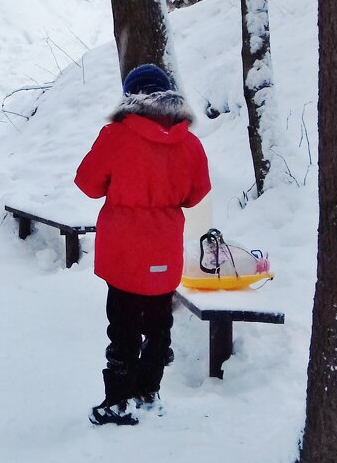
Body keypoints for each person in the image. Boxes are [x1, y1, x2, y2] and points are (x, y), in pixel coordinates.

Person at [74, 64, 211, 427]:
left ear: (130, 97)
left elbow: (88, 183)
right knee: (158, 323)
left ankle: (118, 402)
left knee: (122, 325)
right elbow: (197, 194)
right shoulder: (190, 143)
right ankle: (149, 394)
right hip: (163, 248)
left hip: (123, 250)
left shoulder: (116, 136)